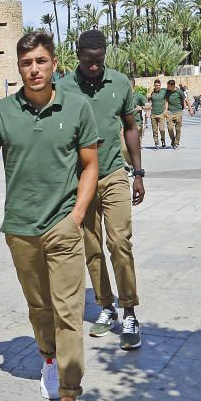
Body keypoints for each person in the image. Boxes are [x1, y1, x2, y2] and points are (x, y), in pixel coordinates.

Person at [0, 31, 99, 401]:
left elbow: (90, 166)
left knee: (69, 312)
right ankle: (49, 359)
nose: (34, 69)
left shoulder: (77, 107)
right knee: (40, 307)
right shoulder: (2, 112)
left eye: (40, 61)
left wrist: (75, 217)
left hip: (62, 226)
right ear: (18, 67)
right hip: (19, 228)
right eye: (26, 63)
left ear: (54, 63)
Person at [57, 30, 145, 350]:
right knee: (91, 249)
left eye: (99, 61)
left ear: (105, 55)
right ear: (77, 55)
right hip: (80, 183)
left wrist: (138, 173)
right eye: (87, 61)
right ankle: (106, 307)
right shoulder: (64, 88)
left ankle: (130, 311)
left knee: (120, 242)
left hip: (114, 175)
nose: (94, 67)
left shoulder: (120, 83)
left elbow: (131, 128)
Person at [166, 79, 187, 148]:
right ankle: (173, 140)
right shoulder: (167, 92)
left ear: (172, 86)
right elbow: (166, 101)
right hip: (170, 112)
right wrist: (165, 111)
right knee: (170, 128)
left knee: (178, 129)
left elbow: (185, 99)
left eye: (168, 86)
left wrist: (190, 108)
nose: (167, 87)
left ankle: (176, 142)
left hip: (178, 112)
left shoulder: (179, 92)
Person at [148, 79, 167, 149]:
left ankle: (163, 141)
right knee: (154, 130)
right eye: (156, 85)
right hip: (153, 114)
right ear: (154, 86)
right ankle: (156, 143)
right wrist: (150, 91)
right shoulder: (152, 93)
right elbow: (147, 99)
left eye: (159, 85)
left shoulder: (163, 92)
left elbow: (166, 101)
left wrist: (165, 110)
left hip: (161, 114)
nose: (158, 86)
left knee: (162, 129)